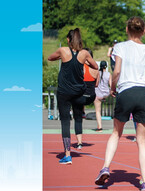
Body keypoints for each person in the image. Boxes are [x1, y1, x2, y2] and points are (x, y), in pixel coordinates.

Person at [95, 17, 145, 191]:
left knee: (116, 133)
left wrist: (113, 88)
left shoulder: (120, 47)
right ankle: (144, 181)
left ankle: (105, 167)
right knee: (142, 141)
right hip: (143, 92)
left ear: (126, 30)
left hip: (126, 90)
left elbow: (117, 71)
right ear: (143, 31)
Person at [48, 28, 98, 164]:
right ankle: (79, 139)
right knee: (77, 116)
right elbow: (95, 67)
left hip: (64, 92)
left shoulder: (63, 50)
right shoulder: (84, 53)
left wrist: (61, 57)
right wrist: (85, 61)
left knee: (65, 122)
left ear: (68, 40)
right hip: (78, 92)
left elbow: (50, 58)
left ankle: (67, 154)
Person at [77, 48, 99, 149]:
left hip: (81, 97)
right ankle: (82, 112)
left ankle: (79, 142)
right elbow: (97, 84)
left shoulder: (80, 68)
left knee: (78, 120)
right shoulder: (96, 69)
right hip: (91, 96)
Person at [94, 61, 112, 132]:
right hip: (106, 93)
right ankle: (104, 99)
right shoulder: (108, 74)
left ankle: (100, 127)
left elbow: (95, 83)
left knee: (97, 111)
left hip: (98, 94)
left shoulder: (97, 73)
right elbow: (110, 84)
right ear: (106, 67)